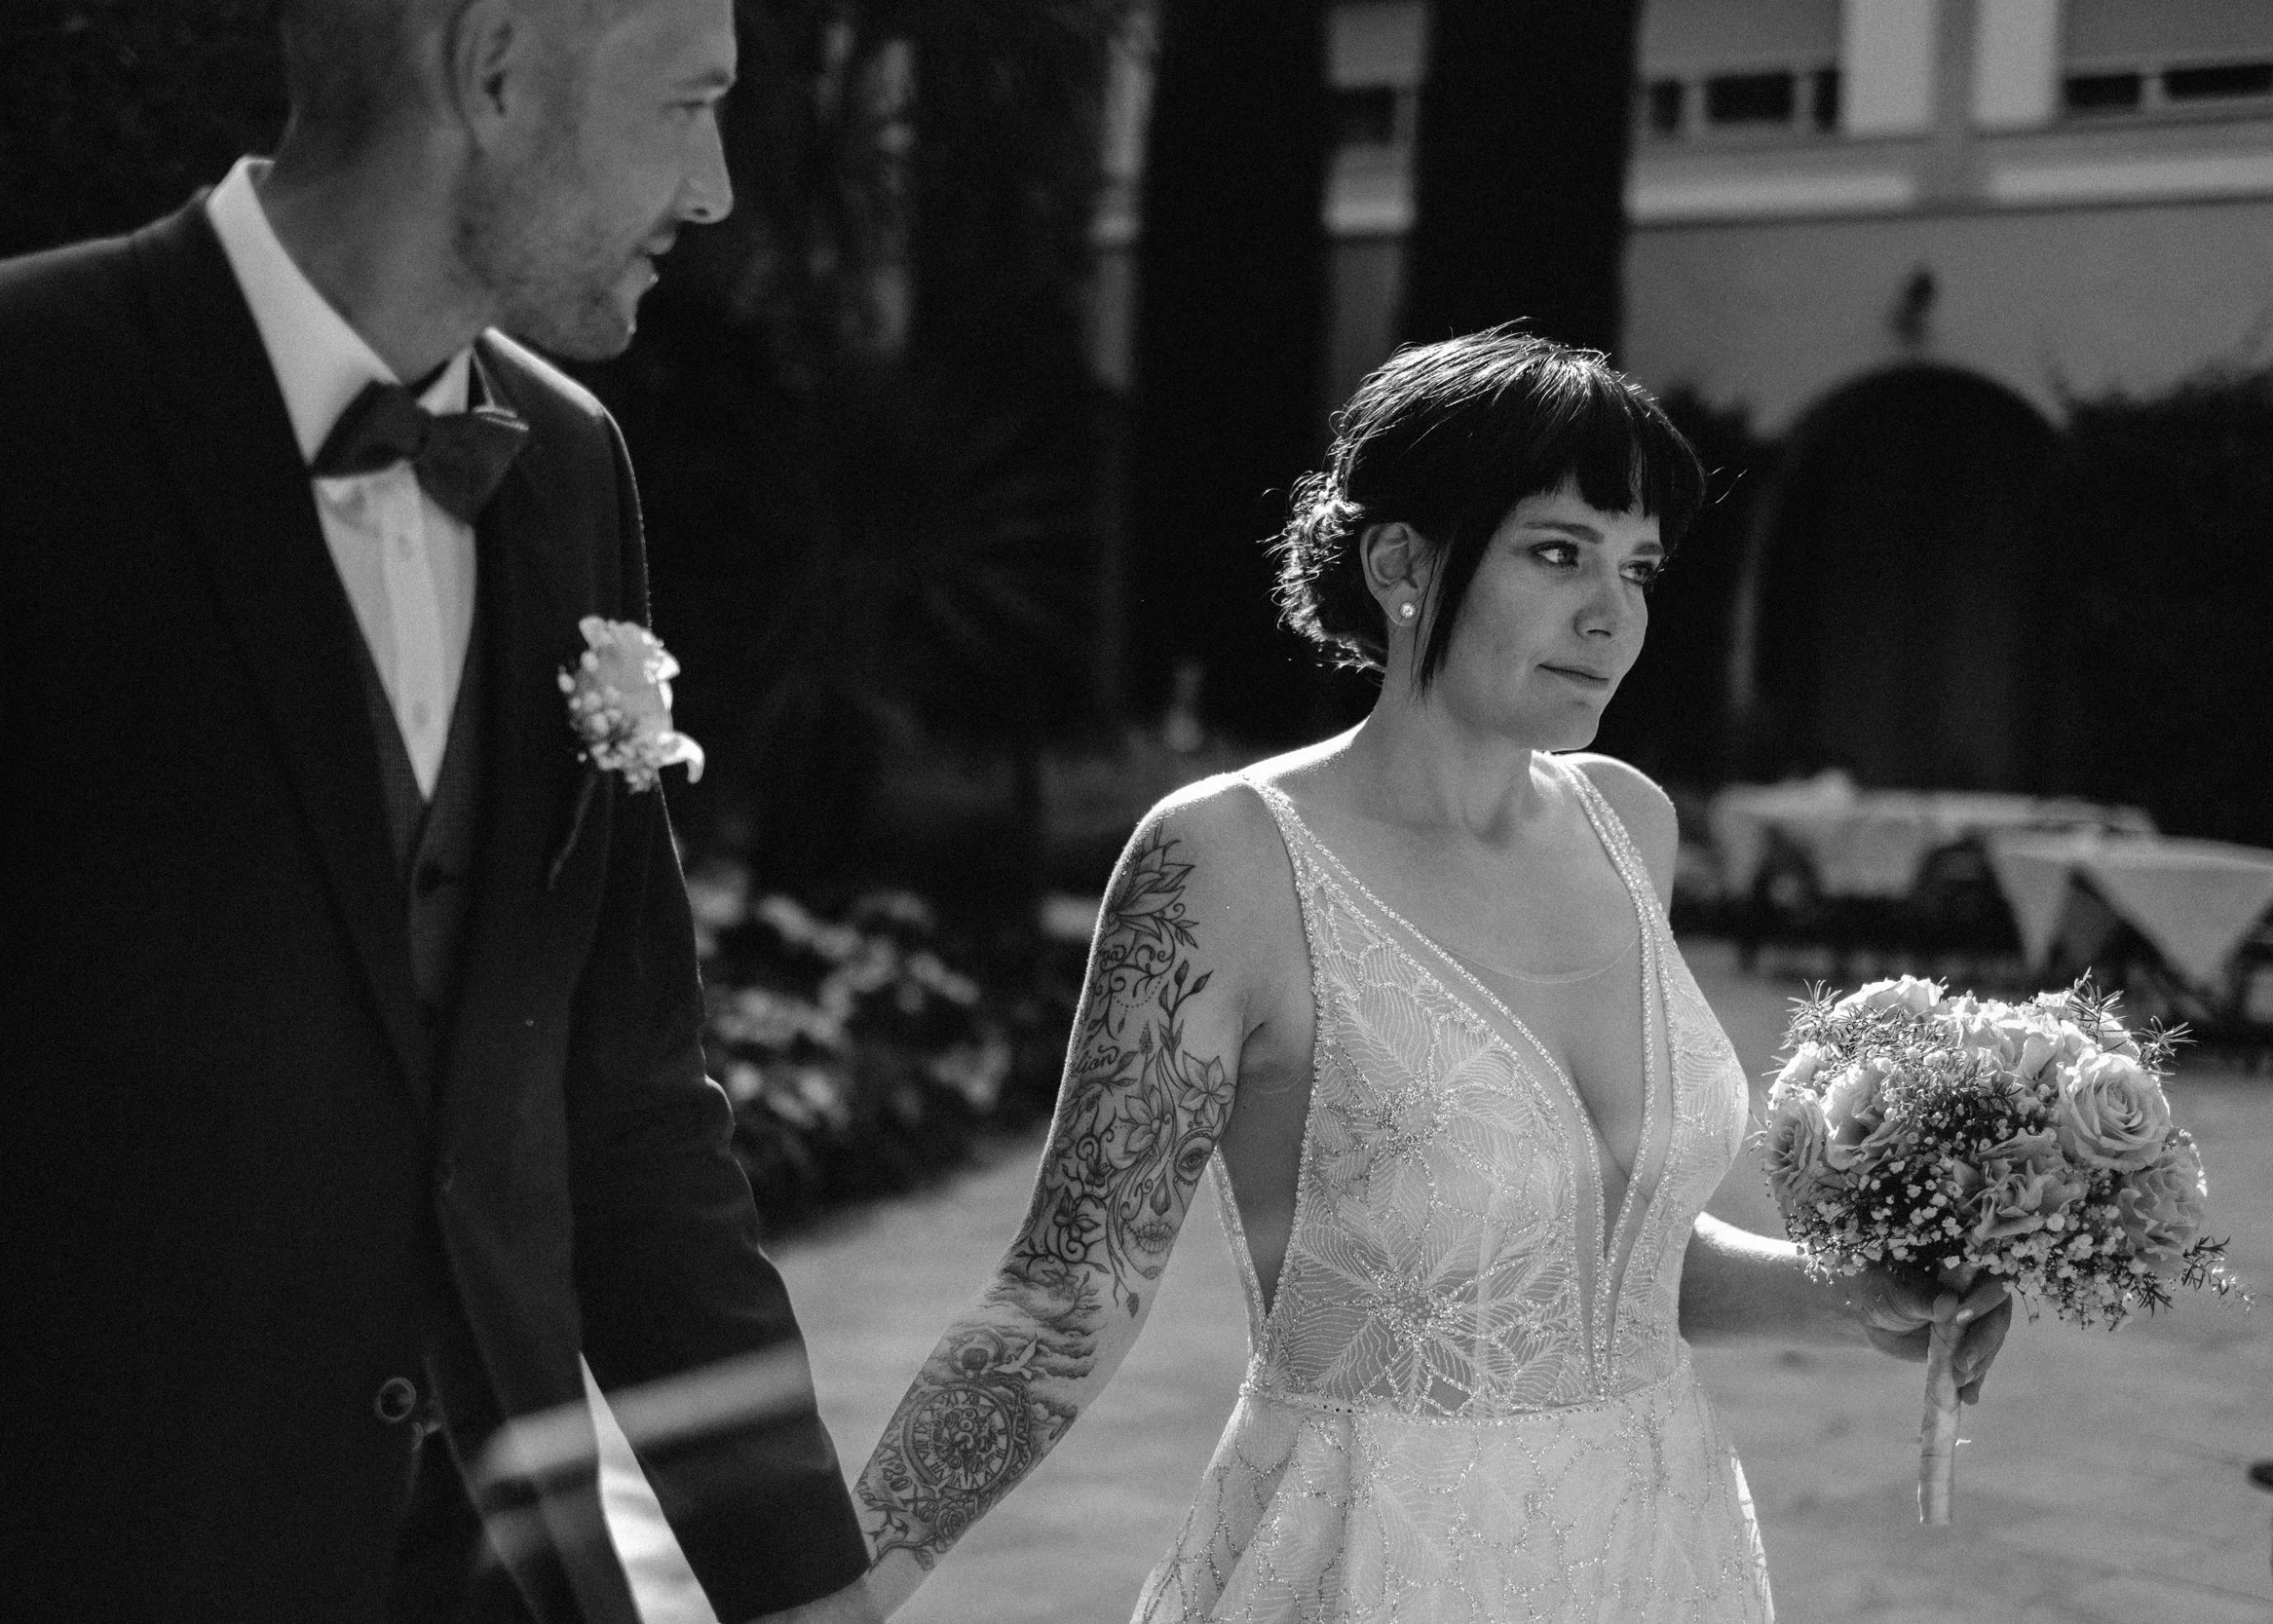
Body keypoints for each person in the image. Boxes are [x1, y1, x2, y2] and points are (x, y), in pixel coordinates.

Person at [0, 3, 877, 1620]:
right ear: (495, 73)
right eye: (687, 105)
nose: (718, 186)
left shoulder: (571, 466)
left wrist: (802, 1583)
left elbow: (627, 1095)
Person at [848, 330, 2013, 1619]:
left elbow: (1608, 1267)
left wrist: (1862, 1288)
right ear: (1403, 562)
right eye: (1558, 551)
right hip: (1371, 1558)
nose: (1612, 614)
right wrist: (828, 1592)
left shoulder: (1630, 826)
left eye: (1638, 568)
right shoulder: (1226, 861)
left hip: (1657, 1547)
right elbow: (1065, 1298)